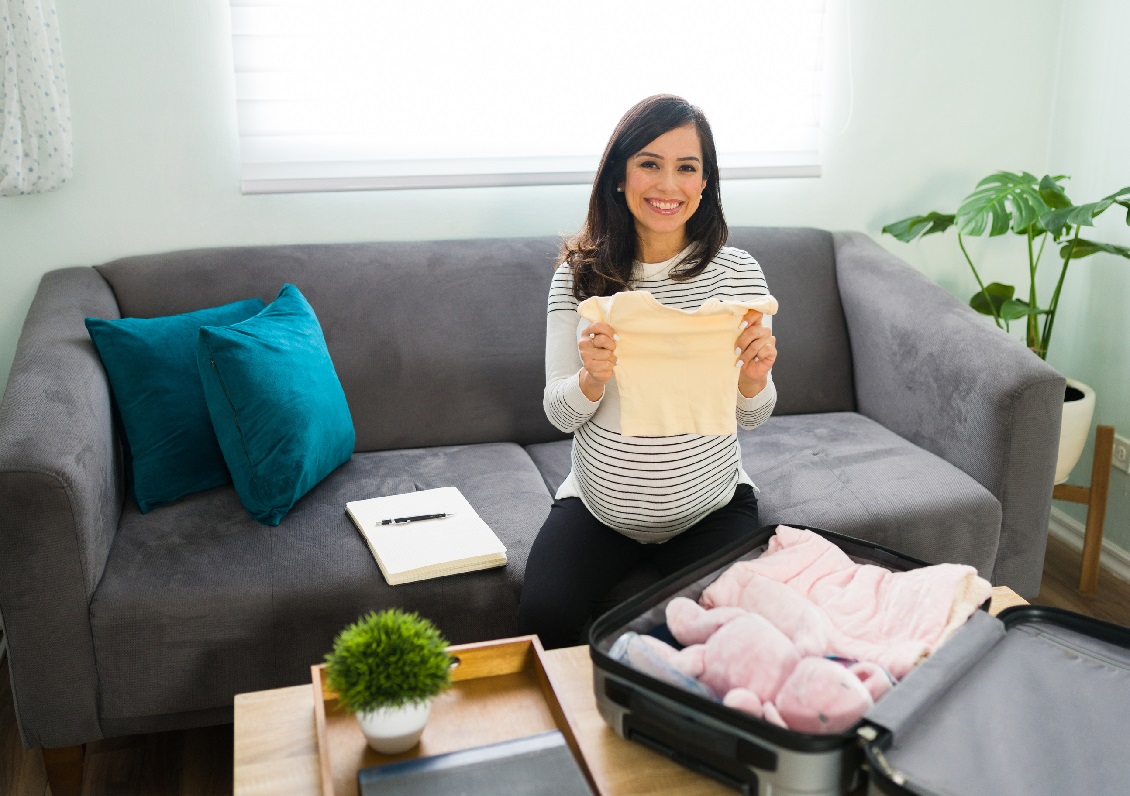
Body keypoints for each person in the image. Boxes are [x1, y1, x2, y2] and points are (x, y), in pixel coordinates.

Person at [516, 95, 779, 649]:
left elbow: (754, 415)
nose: (668, 185)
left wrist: (753, 378)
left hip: (711, 507)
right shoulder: (579, 275)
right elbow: (559, 412)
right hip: (597, 509)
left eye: (687, 167)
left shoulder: (738, 274)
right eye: (649, 163)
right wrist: (590, 378)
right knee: (544, 615)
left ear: (705, 183)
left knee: (733, 633)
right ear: (619, 175)